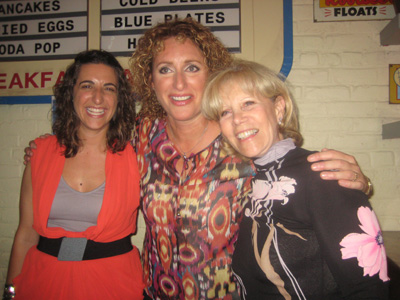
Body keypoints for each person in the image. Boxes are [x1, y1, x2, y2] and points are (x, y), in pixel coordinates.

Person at [23, 18, 371, 300]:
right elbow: (90, 134)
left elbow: (294, 170)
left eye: (191, 67)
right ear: (150, 80)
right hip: (152, 293)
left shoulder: (240, 137)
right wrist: (46, 145)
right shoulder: (140, 135)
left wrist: (355, 182)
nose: (178, 84)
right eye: (164, 70)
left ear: (211, 73)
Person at [201, 59, 389, 299]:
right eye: (225, 112)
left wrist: (362, 189)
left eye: (248, 103)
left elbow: (369, 289)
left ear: (278, 108)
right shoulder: (251, 178)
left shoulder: (324, 175)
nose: (237, 119)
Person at [4, 50, 144, 300]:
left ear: (119, 99)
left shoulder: (138, 157)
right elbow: (25, 234)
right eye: (87, 85)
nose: (98, 98)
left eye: (109, 88)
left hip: (114, 283)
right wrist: (10, 290)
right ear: (71, 92)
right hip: (43, 282)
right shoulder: (40, 152)